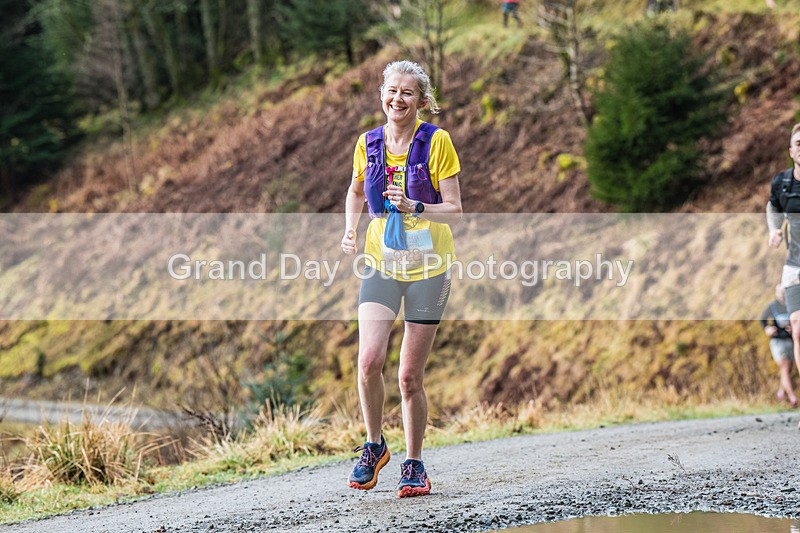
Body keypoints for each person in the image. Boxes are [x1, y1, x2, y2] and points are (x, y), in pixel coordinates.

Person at [341, 60, 462, 498]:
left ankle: (414, 464)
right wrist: (351, 229)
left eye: (408, 92)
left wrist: (416, 206)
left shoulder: (437, 142)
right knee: (368, 361)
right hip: (382, 265)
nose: (398, 99)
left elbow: (456, 211)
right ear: (382, 95)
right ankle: (374, 446)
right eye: (392, 91)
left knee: (409, 377)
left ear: (422, 101)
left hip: (430, 270)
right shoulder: (368, 143)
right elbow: (357, 191)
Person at [767, 122, 800, 417]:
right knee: (798, 328)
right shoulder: (783, 183)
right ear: (791, 151)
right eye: (799, 144)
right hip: (794, 266)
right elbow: (772, 207)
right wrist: (774, 229)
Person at [760, 284, 798, 406]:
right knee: (785, 366)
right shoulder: (773, 306)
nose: (781, 294)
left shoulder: (791, 305)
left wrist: (794, 327)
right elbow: (763, 319)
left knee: (787, 369)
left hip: (790, 340)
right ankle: (792, 397)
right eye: (779, 292)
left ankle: (781, 391)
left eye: (783, 291)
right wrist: (767, 328)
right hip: (777, 341)